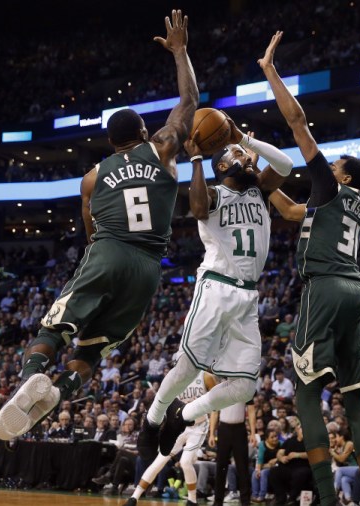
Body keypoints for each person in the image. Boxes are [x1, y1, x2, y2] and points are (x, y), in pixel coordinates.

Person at [0, 9, 199, 440]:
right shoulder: (161, 149)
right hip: (147, 269)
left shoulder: (91, 177)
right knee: (92, 350)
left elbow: (89, 233)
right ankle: (60, 390)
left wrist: (102, 258)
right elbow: (189, 103)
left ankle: (33, 375)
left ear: (110, 142)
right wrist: (180, 52)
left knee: (54, 329)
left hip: (106, 251)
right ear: (144, 131)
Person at [258, 31, 360, 506]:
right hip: (357, 293)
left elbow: (298, 123)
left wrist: (270, 70)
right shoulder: (348, 205)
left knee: (307, 395)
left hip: (325, 290)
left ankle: (327, 499)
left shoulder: (330, 187)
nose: (329, 166)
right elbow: (290, 212)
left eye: (336, 164)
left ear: (342, 175)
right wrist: (257, 179)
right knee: (354, 400)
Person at [137, 120, 292, 454]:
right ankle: (152, 420)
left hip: (248, 296)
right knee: (188, 367)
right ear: (222, 166)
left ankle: (184, 414)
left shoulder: (261, 190)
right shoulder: (213, 193)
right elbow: (195, 208)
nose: (250, 158)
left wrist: (244, 138)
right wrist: (195, 160)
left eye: (250, 155)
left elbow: (285, 164)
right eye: (241, 155)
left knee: (246, 387)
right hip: (216, 289)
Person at [123, 371, 217, 506]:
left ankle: (192, 500)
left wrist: (212, 432)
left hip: (199, 426)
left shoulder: (206, 376)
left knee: (185, 462)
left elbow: (215, 406)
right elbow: (168, 404)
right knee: (159, 461)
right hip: (179, 424)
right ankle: (134, 498)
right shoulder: (177, 376)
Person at [209, 401, 257, 506]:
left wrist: (253, 433)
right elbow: (215, 412)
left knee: (242, 467)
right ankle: (218, 501)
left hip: (240, 429)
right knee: (221, 466)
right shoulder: (220, 389)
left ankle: (245, 501)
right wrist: (211, 433)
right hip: (223, 429)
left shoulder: (245, 388)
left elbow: (251, 411)